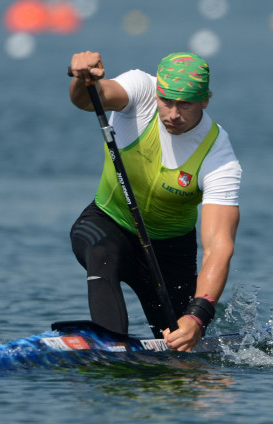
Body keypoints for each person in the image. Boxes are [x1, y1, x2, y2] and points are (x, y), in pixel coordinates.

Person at [68, 51, 241, 351]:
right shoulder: (141, 89)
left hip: (170, 252)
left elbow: (218, 246)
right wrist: (83, 78)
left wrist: (198, 318)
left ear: (205, 101)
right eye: (167, 101)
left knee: (178, 343)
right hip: (107, 224)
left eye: (185, 104)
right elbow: (88, 99)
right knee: (102, 253)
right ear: (158, 92)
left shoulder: (219, 156)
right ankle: (112, 351)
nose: (173, 114)